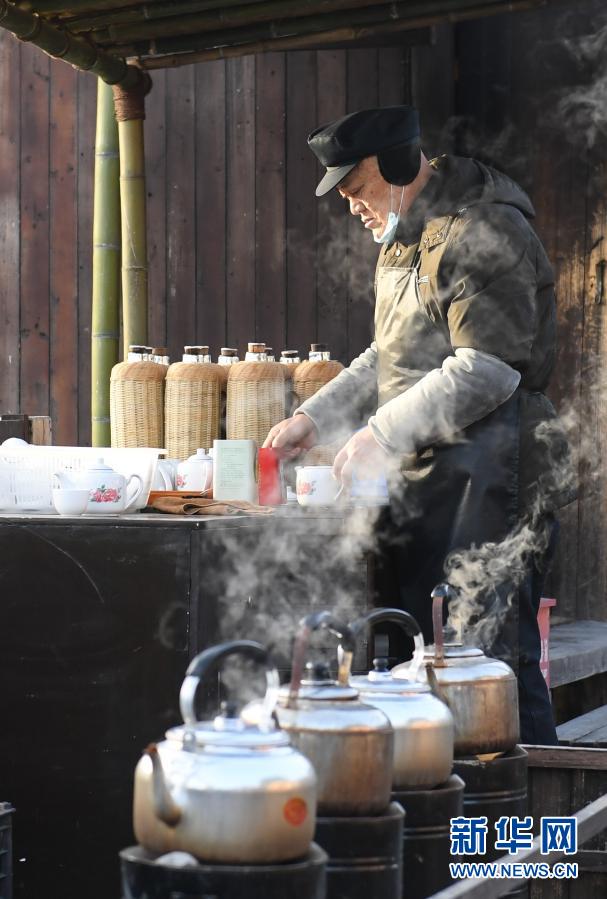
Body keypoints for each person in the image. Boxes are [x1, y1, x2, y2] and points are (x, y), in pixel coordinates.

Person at [264, 106, 573, 745]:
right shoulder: (405, 236)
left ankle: (518, 832)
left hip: (492, 476)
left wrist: (378, 435)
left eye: (356, 189)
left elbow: (489, 369)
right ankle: (443, 819)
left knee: (488, 665)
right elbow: (390, 357)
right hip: (428, 479)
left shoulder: (486, 228)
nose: (352, 207)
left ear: (400, 167)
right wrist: (314, 418)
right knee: (424, 661)